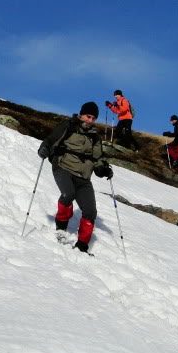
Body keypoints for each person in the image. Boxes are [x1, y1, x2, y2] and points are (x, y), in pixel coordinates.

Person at [37, 102, 114, 253]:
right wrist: (44, 148)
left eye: (93, 118)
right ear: (81, 115)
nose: (90, 120)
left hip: (83, 176)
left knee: (90, 212)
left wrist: (102, 169)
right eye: (88, 116)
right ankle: (61, 228)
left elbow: (97, 158)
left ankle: (82, 247)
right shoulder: (68, 126)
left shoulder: (95, 137)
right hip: (63, 167)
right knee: (68, 194)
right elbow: (50, 139)